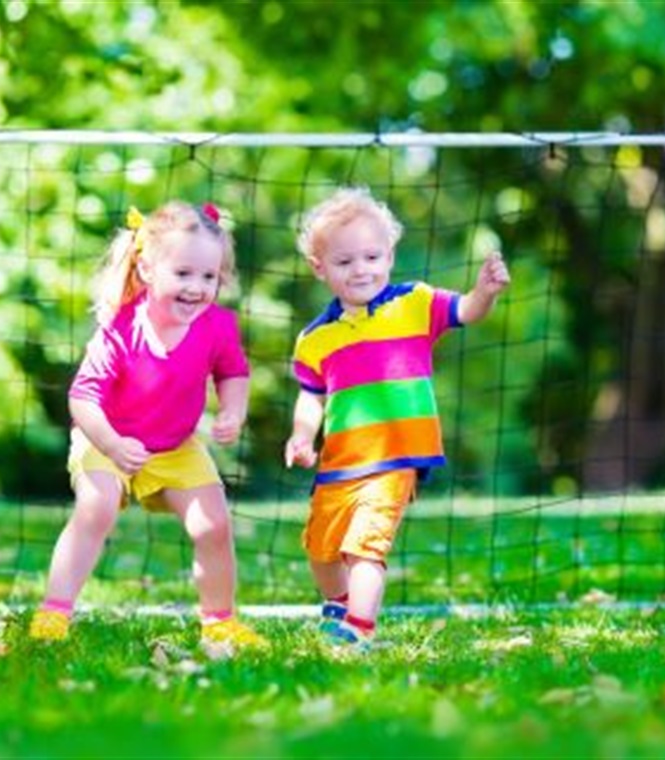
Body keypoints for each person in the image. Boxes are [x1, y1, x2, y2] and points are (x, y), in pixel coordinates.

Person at [29, 201, 267, 656]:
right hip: (107, 438)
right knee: (95, 509)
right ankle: (54, 613)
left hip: (176, 446)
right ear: (147, 268)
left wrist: (232, 412)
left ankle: (220, 622)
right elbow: (82, 397)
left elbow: (233, 372)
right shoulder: (120, 329)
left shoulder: (217, 326)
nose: (197, 288)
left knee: (213, 524)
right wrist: (113, 445)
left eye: (209, 277)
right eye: (183, 274)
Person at [284, 187, 511, 649]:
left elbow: (467, 311)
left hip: (395, 458)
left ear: (389, 256)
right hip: (339, 464)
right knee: (321, 549)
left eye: (371, 256)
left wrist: (483, 292)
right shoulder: (314, 338)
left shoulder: (415, 304)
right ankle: (338, 606)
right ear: (319, 268)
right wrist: (301, 436)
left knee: (364, 546)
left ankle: (358, 629)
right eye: (345, 261)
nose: (361, 268)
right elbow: (310, 396)